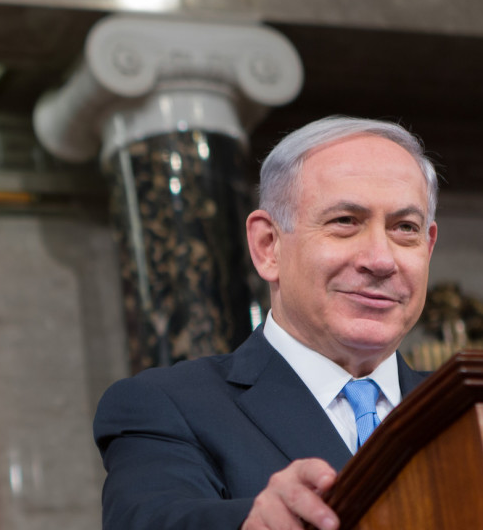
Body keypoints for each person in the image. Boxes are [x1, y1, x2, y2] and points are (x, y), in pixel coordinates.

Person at [93, 116, 439, 530]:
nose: (381, 259)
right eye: (345, 222)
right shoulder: (166, 407)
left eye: (405, 228)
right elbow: (153, 520)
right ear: (268, 246)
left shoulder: (480, 411)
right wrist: (252, 523)